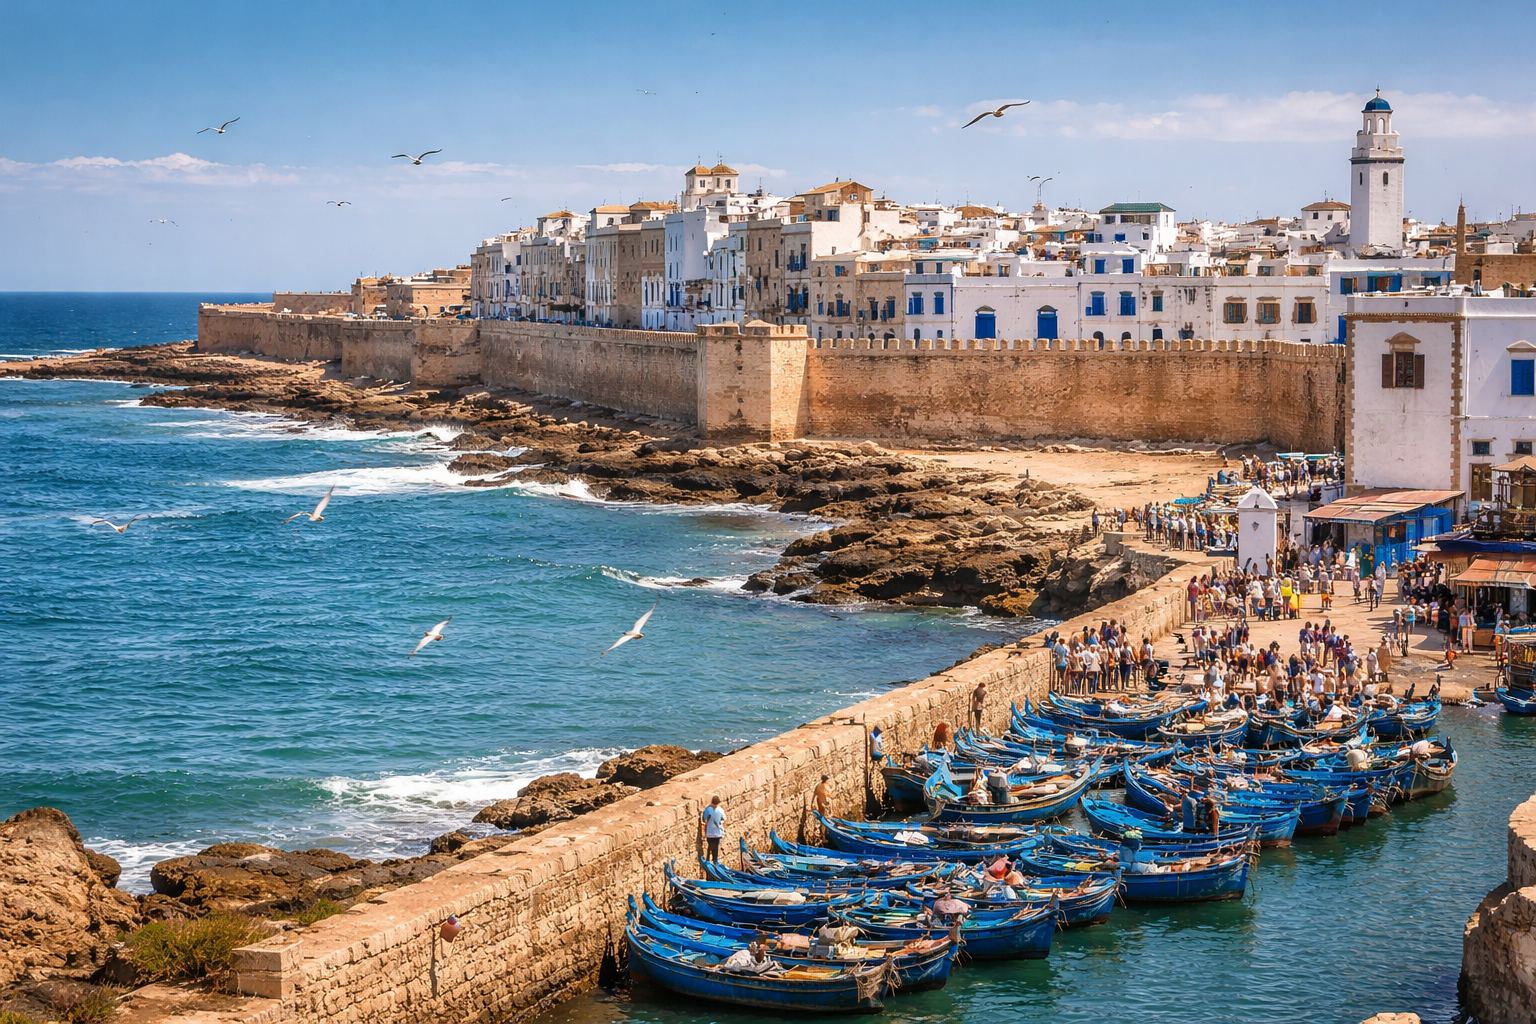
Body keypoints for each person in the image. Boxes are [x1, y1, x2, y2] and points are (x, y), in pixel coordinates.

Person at [700, 795, 726, 863]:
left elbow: (705, 820)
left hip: (709, 832)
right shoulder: (721, 810)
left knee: (710, 846)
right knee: (715, 848)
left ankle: (708, 860)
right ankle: (715, 862)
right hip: (718, 833)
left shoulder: (708, 809)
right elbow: (724, 819)